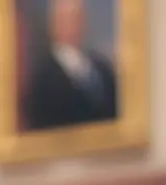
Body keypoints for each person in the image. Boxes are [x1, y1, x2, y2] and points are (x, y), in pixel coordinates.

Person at [21, 0, 118, 131]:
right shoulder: (43, 76)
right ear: (54, 24)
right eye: (67, 18)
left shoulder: (101, 67)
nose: (74, 24)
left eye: (78, 17)